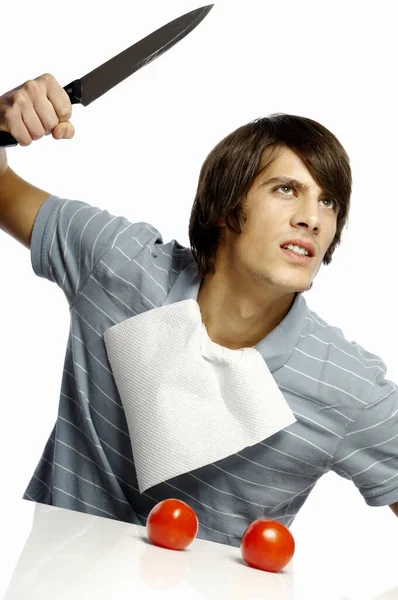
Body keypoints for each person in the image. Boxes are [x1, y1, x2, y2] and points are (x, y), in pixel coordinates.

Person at [0, 74, 397, 548]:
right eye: (286, 189)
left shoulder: (348, 387)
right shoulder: (117, 263)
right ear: (227, 208)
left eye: (328, 200)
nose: (312, 217)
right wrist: (8, 116)